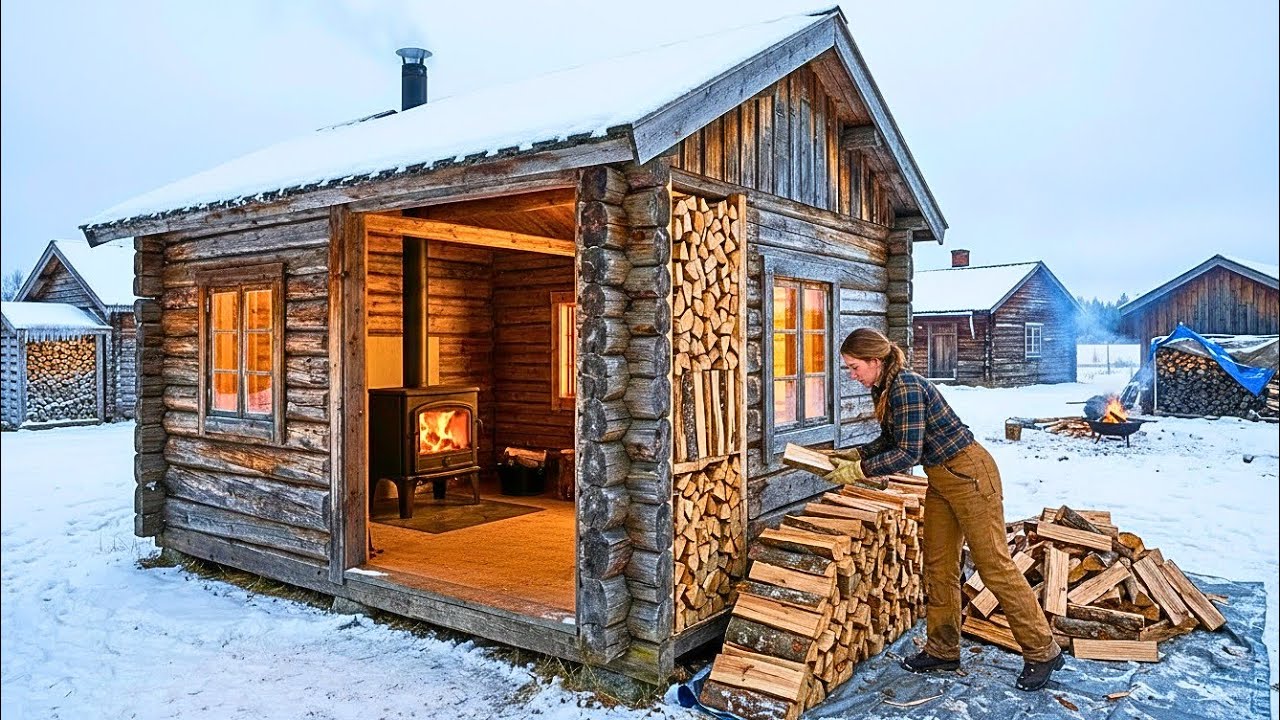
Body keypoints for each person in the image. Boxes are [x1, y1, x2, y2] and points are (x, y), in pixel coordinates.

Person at [822, 328, 1065, 692]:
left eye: (855, 367)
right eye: (849, 369)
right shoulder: (886, 387)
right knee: (939, 564)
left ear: (875, 361)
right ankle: (943, 649)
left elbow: (908, 454)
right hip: (942, 477)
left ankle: (1043, 650)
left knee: (993, 565)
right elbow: (895, 439)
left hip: (969, 474)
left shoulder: (905, 387)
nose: (853, 375)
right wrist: (858, 454)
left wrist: (859, 471)